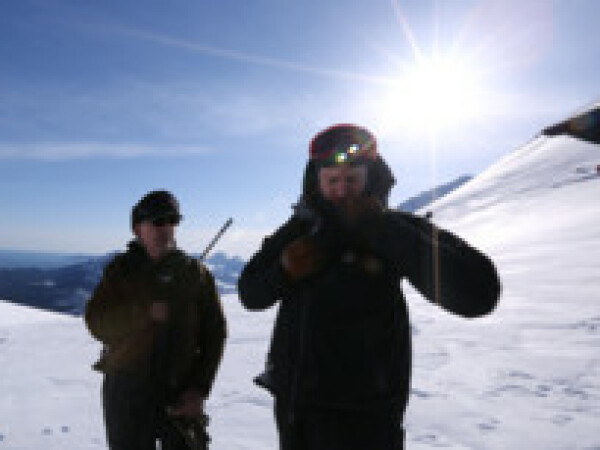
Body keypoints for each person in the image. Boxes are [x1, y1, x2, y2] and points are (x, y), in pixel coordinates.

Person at [238, 124, 501, 449]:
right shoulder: (297, 232)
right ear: (316, 181)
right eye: (332, 180)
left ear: (370, 178)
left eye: (352, 180)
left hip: (369, 417)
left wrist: (384, 230)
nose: (342, 191)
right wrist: (283, 271)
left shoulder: (396, 226)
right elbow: (249, 293)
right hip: (297, 412)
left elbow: (479, 294)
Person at [85, 190, 227, 450]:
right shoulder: (120, 271)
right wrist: (142, 313)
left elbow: (215, 334)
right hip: (127, 397)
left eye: (173, 221)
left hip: (179, 397)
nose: (167, 228)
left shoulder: (195, 275)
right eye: (158, 221)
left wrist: (199, 389)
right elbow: (96, 322)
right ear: (138, 229)